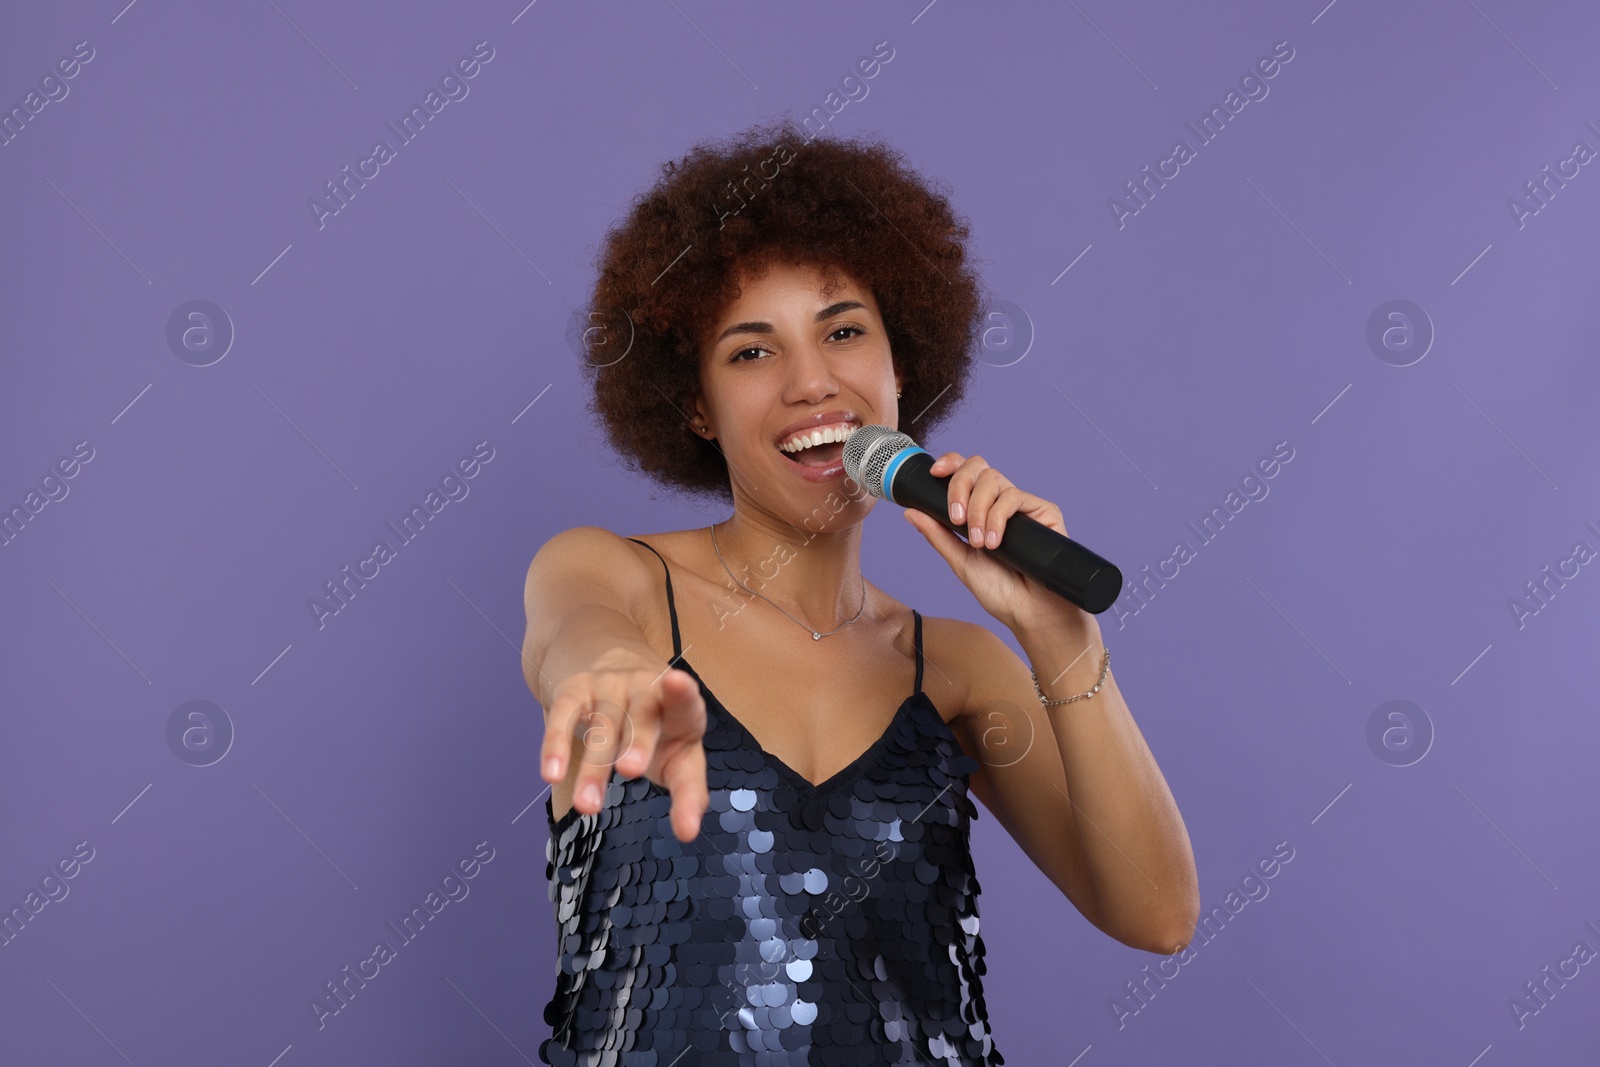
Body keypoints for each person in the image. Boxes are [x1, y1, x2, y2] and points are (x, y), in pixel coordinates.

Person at [522, 118, 1198, 1065]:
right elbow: (573, 630)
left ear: (899, 367)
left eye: (844, 333)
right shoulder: (616, 576)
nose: (812, 383)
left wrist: (1058, 637)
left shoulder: (957, 668)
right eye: (751, 352)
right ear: (693, 405)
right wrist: (610, 665)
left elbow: (1158, 914)